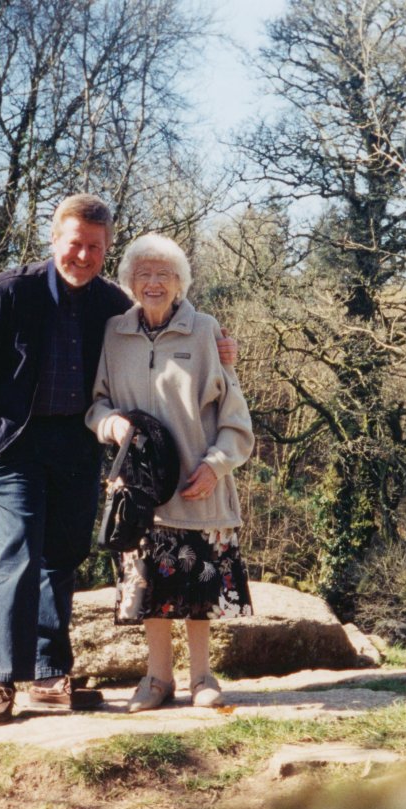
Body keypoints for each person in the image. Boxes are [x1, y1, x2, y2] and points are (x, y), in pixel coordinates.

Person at [0, 195, 236, 724]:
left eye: (94, 247)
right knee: (23, 548)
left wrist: (220, 346)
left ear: (105, 250)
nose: (82, 256)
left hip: (76, 446)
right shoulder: (9, 293)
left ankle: (50, 677)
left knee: (65, 553)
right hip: (12, 444)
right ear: (54, 240)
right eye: (74, 243)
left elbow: (159, 332)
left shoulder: (107, 305)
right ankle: (1, 681)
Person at [87, 233, 254, 711]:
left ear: (180, 282)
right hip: (138, 488)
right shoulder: (114, 333)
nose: (154, 282)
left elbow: (236, 419)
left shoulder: (205, 331)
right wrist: (109, 423)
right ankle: (156, 679)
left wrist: (216, 466)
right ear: (129, 282)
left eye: (164, 274)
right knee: (147, 585)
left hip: (198, 483)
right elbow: (96, 404)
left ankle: (203, 678)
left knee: (199, 585)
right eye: (144, 274)